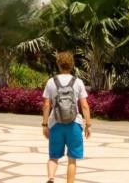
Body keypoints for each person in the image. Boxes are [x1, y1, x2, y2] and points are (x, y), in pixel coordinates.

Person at [42, 51, 92, 183]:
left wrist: (45, 124)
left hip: (55, 123)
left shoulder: (51, 82)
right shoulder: (78, 82)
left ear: (58, 64)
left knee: (53, 157)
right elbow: (85, 105)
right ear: (72, 65)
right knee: (72, 159)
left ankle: (51, 178)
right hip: (74, 123)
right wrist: (88, 124)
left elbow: (47, 105)